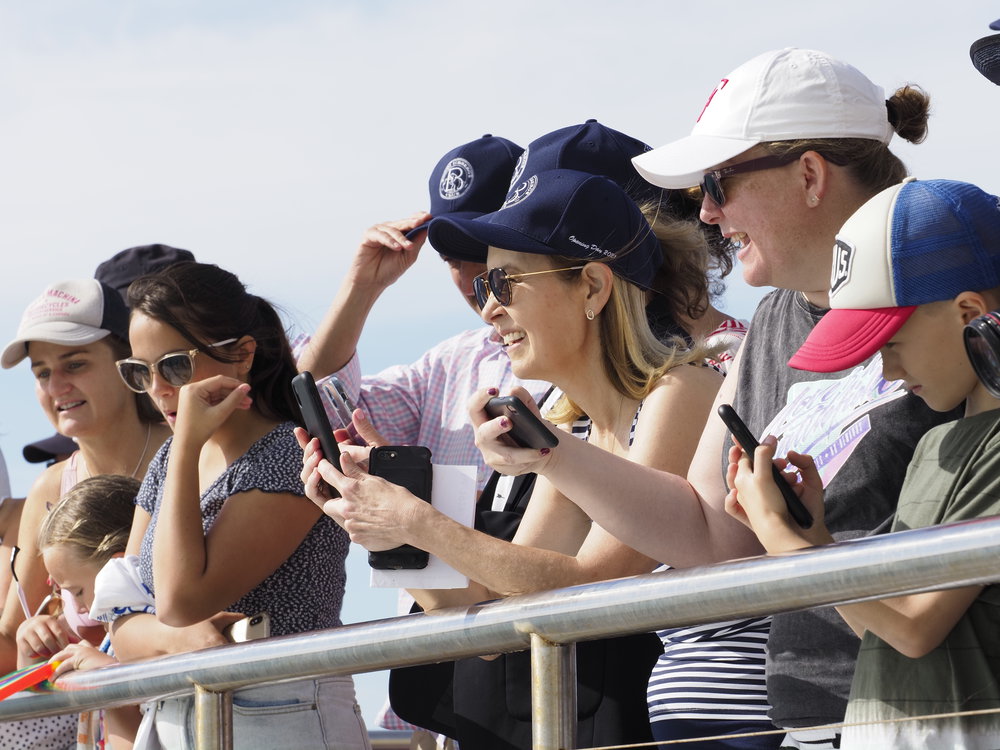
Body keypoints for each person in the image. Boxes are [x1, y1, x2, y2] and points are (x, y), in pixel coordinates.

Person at [468, 48, 959, 749]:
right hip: (817, 719)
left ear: (811, 175)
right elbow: (710, 534)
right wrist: (548, 453)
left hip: (941, 710)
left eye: (720, 183)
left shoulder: (953, 279)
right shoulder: (771, 327)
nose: (705, 212)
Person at [301, 168, 723, 748]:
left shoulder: (681, 391)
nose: (489, 308)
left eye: (504, 281)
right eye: (483, 288)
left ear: (595, 288)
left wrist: (415, 519)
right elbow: (498, 614)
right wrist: (383, 529)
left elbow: (590, 586)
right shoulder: (569, 421)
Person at [728, 178, 1000, 749]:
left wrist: (786, 544)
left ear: (968, 311)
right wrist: (819, 541)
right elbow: (884, 618)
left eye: (891, 344)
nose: (887, 372)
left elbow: (914, 626)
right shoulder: (937, 441)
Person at [108, 261, 369, 750]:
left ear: (243, 354)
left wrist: (186, 447)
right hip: (179, 711)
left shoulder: (289, 451)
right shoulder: (170, 456)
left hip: (282, 708)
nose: (157, 388)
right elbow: (121, 622)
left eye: (174, 366)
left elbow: (180, 600)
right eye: (138, 372)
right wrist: (178, 640)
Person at [296, 134, 548, 492]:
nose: (466, 280)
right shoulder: (449, 363)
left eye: (479, 250)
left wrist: (415, 513)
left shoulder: (578, 352)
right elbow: (319, 401)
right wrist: (362, 286)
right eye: (450, 259)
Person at [0, 280, 170, 672]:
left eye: (75, 364)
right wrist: (35, 634)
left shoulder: (192, 451)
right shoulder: (49, 489)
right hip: (109, 730)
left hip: (212, 716)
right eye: (42, 373)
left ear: (128, 362)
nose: (56, 386)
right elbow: (11, 642)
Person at [11, 475, 144, 750]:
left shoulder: (153, 634)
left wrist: (109, 677)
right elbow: (42, 709)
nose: (77, 606)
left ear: (116, 565)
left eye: (77, 591)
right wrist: (30, 659)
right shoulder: (109, 642)